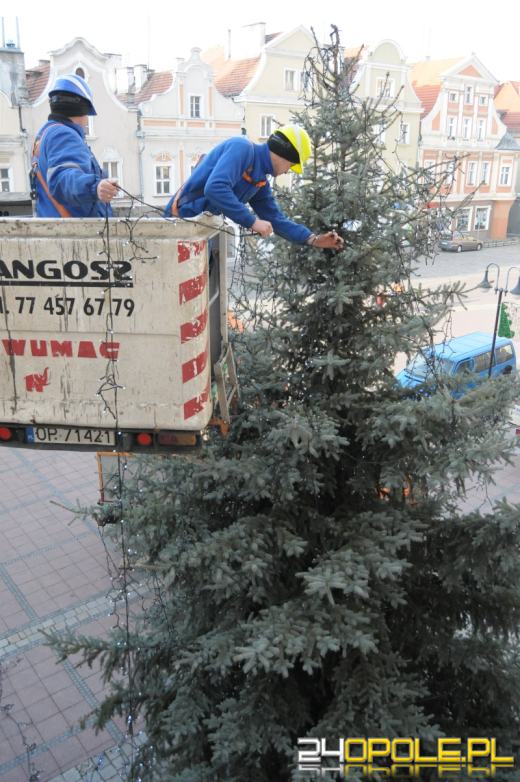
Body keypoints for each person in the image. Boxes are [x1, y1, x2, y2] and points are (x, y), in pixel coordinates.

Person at [165, 124, 344, 250]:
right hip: (177, 228)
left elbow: (275, 218)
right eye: (291, 166)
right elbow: (215, 188)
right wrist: (252, 221)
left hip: (201, 234)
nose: (288, 171)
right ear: (284, 155)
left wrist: (312, 239)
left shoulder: (259, 180)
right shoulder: (241, 148)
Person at [31, 74, 118, 217]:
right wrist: (94, 187)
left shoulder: (45, 134)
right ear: (83, 110)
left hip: (55, 227)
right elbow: (64, 178)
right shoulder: (64, 135)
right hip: (75, 233)